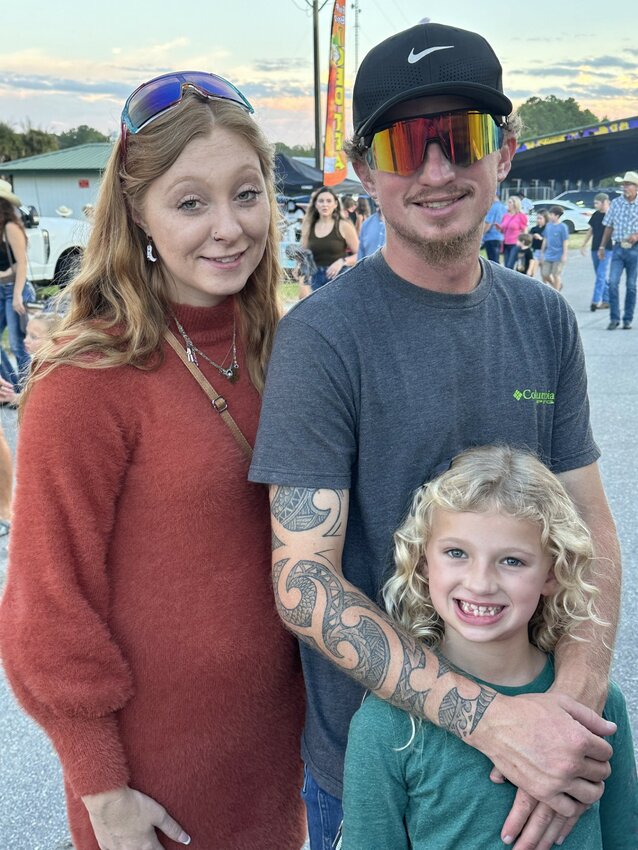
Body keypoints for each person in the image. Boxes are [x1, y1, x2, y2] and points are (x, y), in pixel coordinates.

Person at [249, 21, 620, 850]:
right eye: (407, 143)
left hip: (544, 762)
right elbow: (304, 581)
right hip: (382, 779)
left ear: (507, 150)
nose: (437, 169)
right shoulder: (324, 338)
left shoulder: (545, 319)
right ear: (364, 166)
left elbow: (589, 526)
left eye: (462, 137)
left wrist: (572, 707)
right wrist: (491, 721)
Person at [0, 71, 306, 850]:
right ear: (139, 213)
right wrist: (102, 792)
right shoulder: (88, 377)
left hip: (277, 757)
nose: (229, 226)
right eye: (191, 202)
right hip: (151, 783)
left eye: (247, 192)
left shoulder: (287, 345)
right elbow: (46, 604)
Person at [341, 445, 637, 850]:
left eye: (512, 561)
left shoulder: (599, 704)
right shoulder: (385, 726)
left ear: (552, 573)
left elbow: (624, 835)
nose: (481, 582)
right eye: (456, 553)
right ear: (424, 563)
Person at [599, 170, 638, 330]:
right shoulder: (616, 203)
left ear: (636, 187)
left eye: (628, 184)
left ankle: (627, 318)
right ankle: (614, 318)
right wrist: (602, 246)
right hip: (618, 248)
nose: (624, 187)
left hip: (635, 249)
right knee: (613, 283)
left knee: (631, 285)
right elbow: (608, 226)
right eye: (623, 184)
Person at [0, 179, 31, 378]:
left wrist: (18, 295)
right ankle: (11, 387)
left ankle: (27, 389)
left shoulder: (11, 227)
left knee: (17, 344)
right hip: (1, 290)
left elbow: (22, 263)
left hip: (14, 290)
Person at [301, 186, 359, 291]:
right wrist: (303, 280)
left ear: (335, 204)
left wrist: (342, 262)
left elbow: (360, 254)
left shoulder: (343, 225)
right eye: (321, 201)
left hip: (339, 277)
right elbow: (303, 254)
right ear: (315, 204)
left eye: (328, 201)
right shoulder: (309, 226)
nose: (325, 204)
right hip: (315, 279)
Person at [0, 311, 63, 404]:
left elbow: (41, 401)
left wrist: (14, 397)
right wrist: (12, 397)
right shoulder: (39, 362)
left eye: (33, 337)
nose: (25, 340)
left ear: (54, 340)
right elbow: (31, 396)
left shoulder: (52, 369)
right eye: (26, 335)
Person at [580, 193, 611, 311]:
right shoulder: (596, 215)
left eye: (597, 203)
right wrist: (583, 244)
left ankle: (595, 301)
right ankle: (607, 300)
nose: (595, 205)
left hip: (607, 249)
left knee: (601, 275)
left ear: (604, 202)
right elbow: (591, 230)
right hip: (594, 248)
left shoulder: (610, 215)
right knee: (600, 275)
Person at [540, 206, 569, 291]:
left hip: (559, 255)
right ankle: (557, 286)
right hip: (549, 254)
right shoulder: (548, 226)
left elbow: (565, 241)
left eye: (551, 214)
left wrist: (564, 254)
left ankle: (557, 293)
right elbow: (545, 239)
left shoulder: (563, 227)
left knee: (556, 274)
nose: (550, 216)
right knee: (545, 274)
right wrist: (542, 251)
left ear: (557, 216)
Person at [498, 195, 528, 268]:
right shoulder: (505, 216)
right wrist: (499, 228)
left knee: (509, 265)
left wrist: (524, 243)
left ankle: (509, 279)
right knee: (506, 265)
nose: (508, 204)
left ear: (515, 204)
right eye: (508, 203)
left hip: (515, 243)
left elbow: (525, 230)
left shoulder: (521, 216)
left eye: (510, 202)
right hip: (506, 243)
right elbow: (502, 230)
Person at [482, 193, 506, 263]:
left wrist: (481, 235)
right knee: (497, 260)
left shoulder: (492, 207)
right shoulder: (503, 207)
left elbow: (488, 223)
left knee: (492, 262)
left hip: (491, 237)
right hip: (500, 237)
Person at [529, 208, 548, 274]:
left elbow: (549, 241)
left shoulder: (547, 229)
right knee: (532, 271)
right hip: (535, 250)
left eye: (540, 218)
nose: (538, 220)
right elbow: (529, 240)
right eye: (537, 218)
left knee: (545, 274)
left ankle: (555, 284)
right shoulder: (533, 229)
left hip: (545, 251)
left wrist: (541, 238)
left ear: (545, 219)